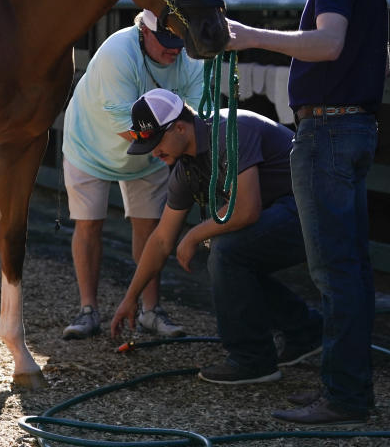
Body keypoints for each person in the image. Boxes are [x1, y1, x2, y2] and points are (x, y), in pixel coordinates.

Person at [225, 0, 388, 424]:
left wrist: (249, 35)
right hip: (356, 129)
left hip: (329, 133)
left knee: (335, 272)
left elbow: (328, 44)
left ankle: (342, 398)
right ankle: (349, 390)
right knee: (352, 270)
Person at [110, 88, 322, 384]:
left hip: (317, 207)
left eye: (158, 143)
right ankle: (306, 331)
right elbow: (160, 240)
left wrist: (194, 235)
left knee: (225, 251)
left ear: (180, 127)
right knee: (231, 257)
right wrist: (130, 298)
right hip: (283, 210)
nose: (156, 154)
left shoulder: (230, 131)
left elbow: (247, 209)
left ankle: (253, 360)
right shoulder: (185, 168)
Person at [61, 10, 204, 340]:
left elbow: (195, 122)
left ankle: (150, 311)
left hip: (155, 149)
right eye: (166, 41)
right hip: (92, 141)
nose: (175, 49)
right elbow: (122, 123)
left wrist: (172, 152)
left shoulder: (189, 59)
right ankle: (88, 310)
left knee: (149, 226)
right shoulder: (117, 53)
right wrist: (167, 146)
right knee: (89, 223)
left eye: (179, 41)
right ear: (144, 32)